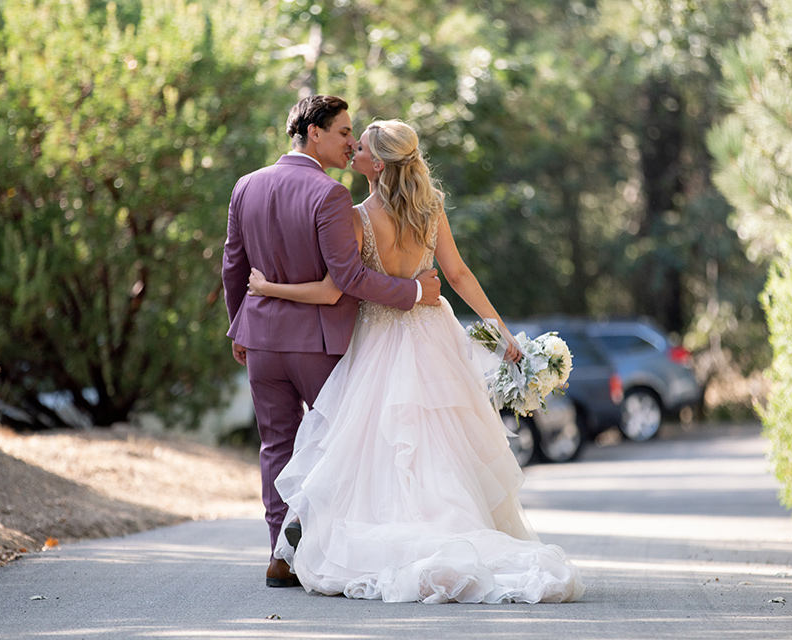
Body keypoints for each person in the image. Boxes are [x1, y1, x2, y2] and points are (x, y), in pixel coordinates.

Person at [246, 119, 585, 604]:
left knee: (378, 441)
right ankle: (448, 525)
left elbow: (336, 288)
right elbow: (460, 274)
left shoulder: (359, 215)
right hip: (433, 333)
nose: (352, 150)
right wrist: (499, 329)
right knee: (439, 439)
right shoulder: (430, 207)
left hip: (380, 335)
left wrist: (267, 288)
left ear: (377, 164)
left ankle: (399, 533)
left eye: (359, 146)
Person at [222, 96, 442, 588]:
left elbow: (233, 264)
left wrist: (238, 324)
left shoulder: (246, 185)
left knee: (277, 445)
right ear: (313, 133)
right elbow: (349, 278)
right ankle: (321, 549)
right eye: (344, 132)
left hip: (260, 340)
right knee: (338, 446)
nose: (350, 141)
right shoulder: (330, 195)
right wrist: (413, 291)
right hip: (317, 343)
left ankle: (280, 553)